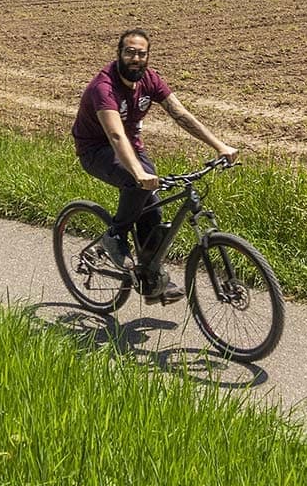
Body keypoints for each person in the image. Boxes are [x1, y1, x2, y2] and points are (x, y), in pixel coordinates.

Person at [72, 28, 237, 303]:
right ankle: (114, 236)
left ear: (147, 56)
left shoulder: (150, 80)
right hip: (97, 150)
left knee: (154, 214)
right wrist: (137, 172)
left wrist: (219, 145)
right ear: (119, 54)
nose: (136, 58)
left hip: (131, 147)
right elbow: (115, 135)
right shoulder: (104, 87)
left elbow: (181, 114)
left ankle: (150, 282)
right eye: (130, 52)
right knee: (136, 183)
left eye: (141, 53)